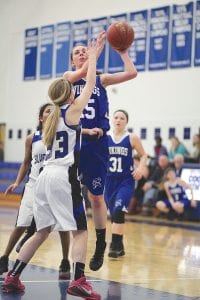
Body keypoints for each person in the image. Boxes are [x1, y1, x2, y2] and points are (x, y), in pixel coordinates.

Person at [2, 39, 101, 299]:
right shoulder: (70, 112)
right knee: (80, 229)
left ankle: (13, 276)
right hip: (62, 177)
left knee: (43, 230)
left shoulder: (50, 119)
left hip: (43, 178)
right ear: (69, 94)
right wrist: (93, 58)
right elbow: (90, 84)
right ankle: (79, 280)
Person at [63, 31, 137, 271]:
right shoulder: (69, 78)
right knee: (68, 197)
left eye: (86, 49)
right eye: (78, 51)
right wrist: (93, 58)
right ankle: (66, 251)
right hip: (74, 142)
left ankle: (100, 244)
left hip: (97, 145)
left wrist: (123, 53)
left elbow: (132, 73)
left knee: (96, 197)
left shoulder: (102, 79)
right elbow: (83, 73)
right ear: (72, 60)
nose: (83, 52)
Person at [0, 103, 71, 280]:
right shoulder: (32, 138)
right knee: (21, 223)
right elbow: (25, 162)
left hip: (54, 185)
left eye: (54, 111)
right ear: (41, 117)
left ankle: (64, 260)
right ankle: (4, 256)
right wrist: (17, 182)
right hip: (33, 185)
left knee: (63, 225)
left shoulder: (61, 135)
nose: (52, 113)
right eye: (48, 111)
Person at [104, 110, 147, 258]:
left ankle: (114, 246)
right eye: (116, 117)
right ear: (112, 120)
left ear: (126, 122)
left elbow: (144, 155)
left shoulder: (131, 137)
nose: (118, 120)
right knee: (114, 216)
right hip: (109, 182)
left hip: (125, 181)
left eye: (122, 118)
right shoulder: (105, 137)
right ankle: (120, 246)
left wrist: (140, 168)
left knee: (118, 211)